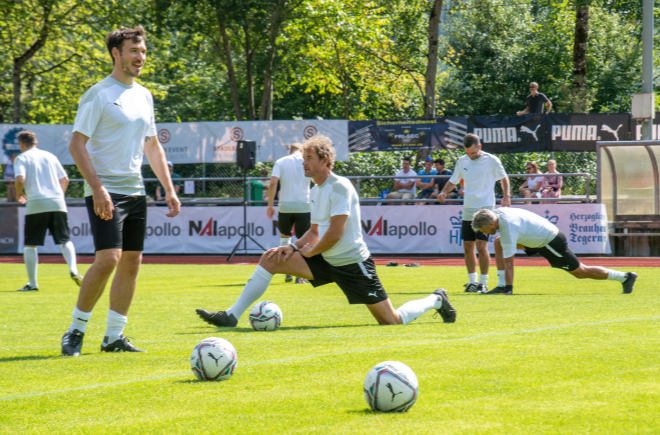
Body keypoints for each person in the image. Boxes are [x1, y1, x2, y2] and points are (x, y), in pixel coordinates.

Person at [196, 135, 456, 327]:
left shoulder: (340, 186)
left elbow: (335, 234)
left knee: (392, 321)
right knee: (270, 258)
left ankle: (436, 299)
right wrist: (293, 247)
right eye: (304, 158)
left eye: (309, 159)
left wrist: (309, 252)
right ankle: (231, 316)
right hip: (325, 259)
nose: (304, 164)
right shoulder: (316, 189)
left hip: (354, 264)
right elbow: (314, 232)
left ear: (326, 161)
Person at [61, 26, 181, 357]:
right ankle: (76, 330)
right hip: (105, 191)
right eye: (134, 51)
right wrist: (98, 188)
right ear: (117, 53)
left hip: (136, 191)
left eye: (143, 52)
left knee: (131, 262)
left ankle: (114, 336)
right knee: (108, 259)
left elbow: (153, 145)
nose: (140, 57)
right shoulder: (98, 94)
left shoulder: (144, 95)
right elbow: (76, 144)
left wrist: (168, 190)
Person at [471, 207, 637, 294]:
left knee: (580, 271)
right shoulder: (498, 214)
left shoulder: (508, 227)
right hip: (537, 240)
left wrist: (509, 289)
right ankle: (501, 285)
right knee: (499, 242)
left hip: (550, 242)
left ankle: (625, 277)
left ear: (491, 224)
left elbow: (509, 261)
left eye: (483, 230)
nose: (483, 233)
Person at [437, 133, 511, 293]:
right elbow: (453, 180)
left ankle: (483, 282)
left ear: (480, 147)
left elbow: (504, 179)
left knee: (481, 245)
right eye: (468, 153)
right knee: (467, 245)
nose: (470, 156)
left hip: (485, 209)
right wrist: (443, 192)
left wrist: (506, 196)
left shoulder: (492, 160)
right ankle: (472, 282)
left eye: (473, 153)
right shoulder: (462, 161)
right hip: (468, 210)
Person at [13, 130, 83, 292]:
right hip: (57, 201)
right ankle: (74, 270)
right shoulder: (50, 156)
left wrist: (18, 194)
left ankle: (33, 284)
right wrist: (58, 195)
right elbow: (65, 179)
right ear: (36, 142)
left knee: (30, 245)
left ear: (22, 144)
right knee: (64, 240)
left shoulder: (22, 158)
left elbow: (20, 179)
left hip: (36, 203)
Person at [266, 143, 311, 284]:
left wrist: (270, 204)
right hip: (304, 205)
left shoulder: (281, 161)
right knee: (302, 241)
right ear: (301, 150)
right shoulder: (306, 162)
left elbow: (273, 183)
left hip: (285, 206)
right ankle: (300, 276)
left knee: (285, 239)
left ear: (289, 150)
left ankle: (287, 272)